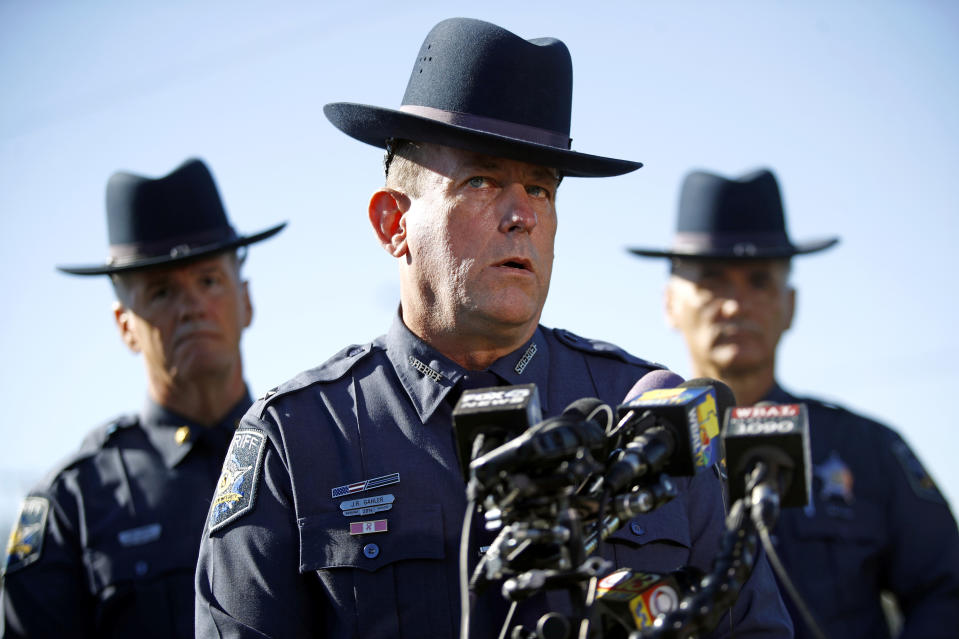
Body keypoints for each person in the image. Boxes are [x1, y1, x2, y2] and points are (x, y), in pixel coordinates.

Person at [195, 18, 791, 639]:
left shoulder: (647, 415)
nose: (521, 216)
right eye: (480, 181)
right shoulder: (300, 438)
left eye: (541, 187)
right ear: (392, 222)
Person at [628, 167, 959, 638]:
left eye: (759, 281)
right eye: (711, 279)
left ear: (791, 305)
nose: (734, 304)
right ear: (669, 303)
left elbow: (945, 592)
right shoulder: (628, 453)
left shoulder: (866, 450)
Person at [0, 158, 285, 638]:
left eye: (209, 281)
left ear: (247, 300)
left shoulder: (316, 450)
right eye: (160, 291)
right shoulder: (75, 505)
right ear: (124, 326)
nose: (191, 306)